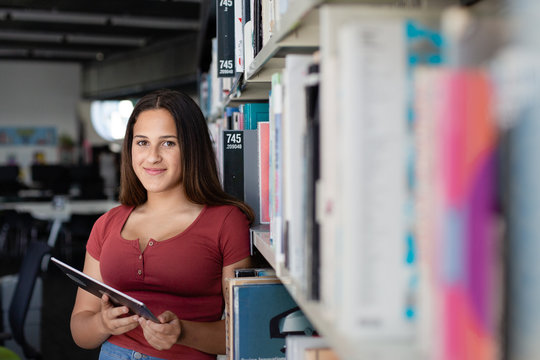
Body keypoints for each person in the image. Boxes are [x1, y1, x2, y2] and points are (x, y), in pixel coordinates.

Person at [70, 89, 254, 360]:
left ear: (192, 148)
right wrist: (103, 324)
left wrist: (183, 333)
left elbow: (244, 335)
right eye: (142, 142)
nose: (152, 156)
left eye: (168, 143)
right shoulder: (107, 224)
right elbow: (80, 330)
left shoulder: (226, 222)